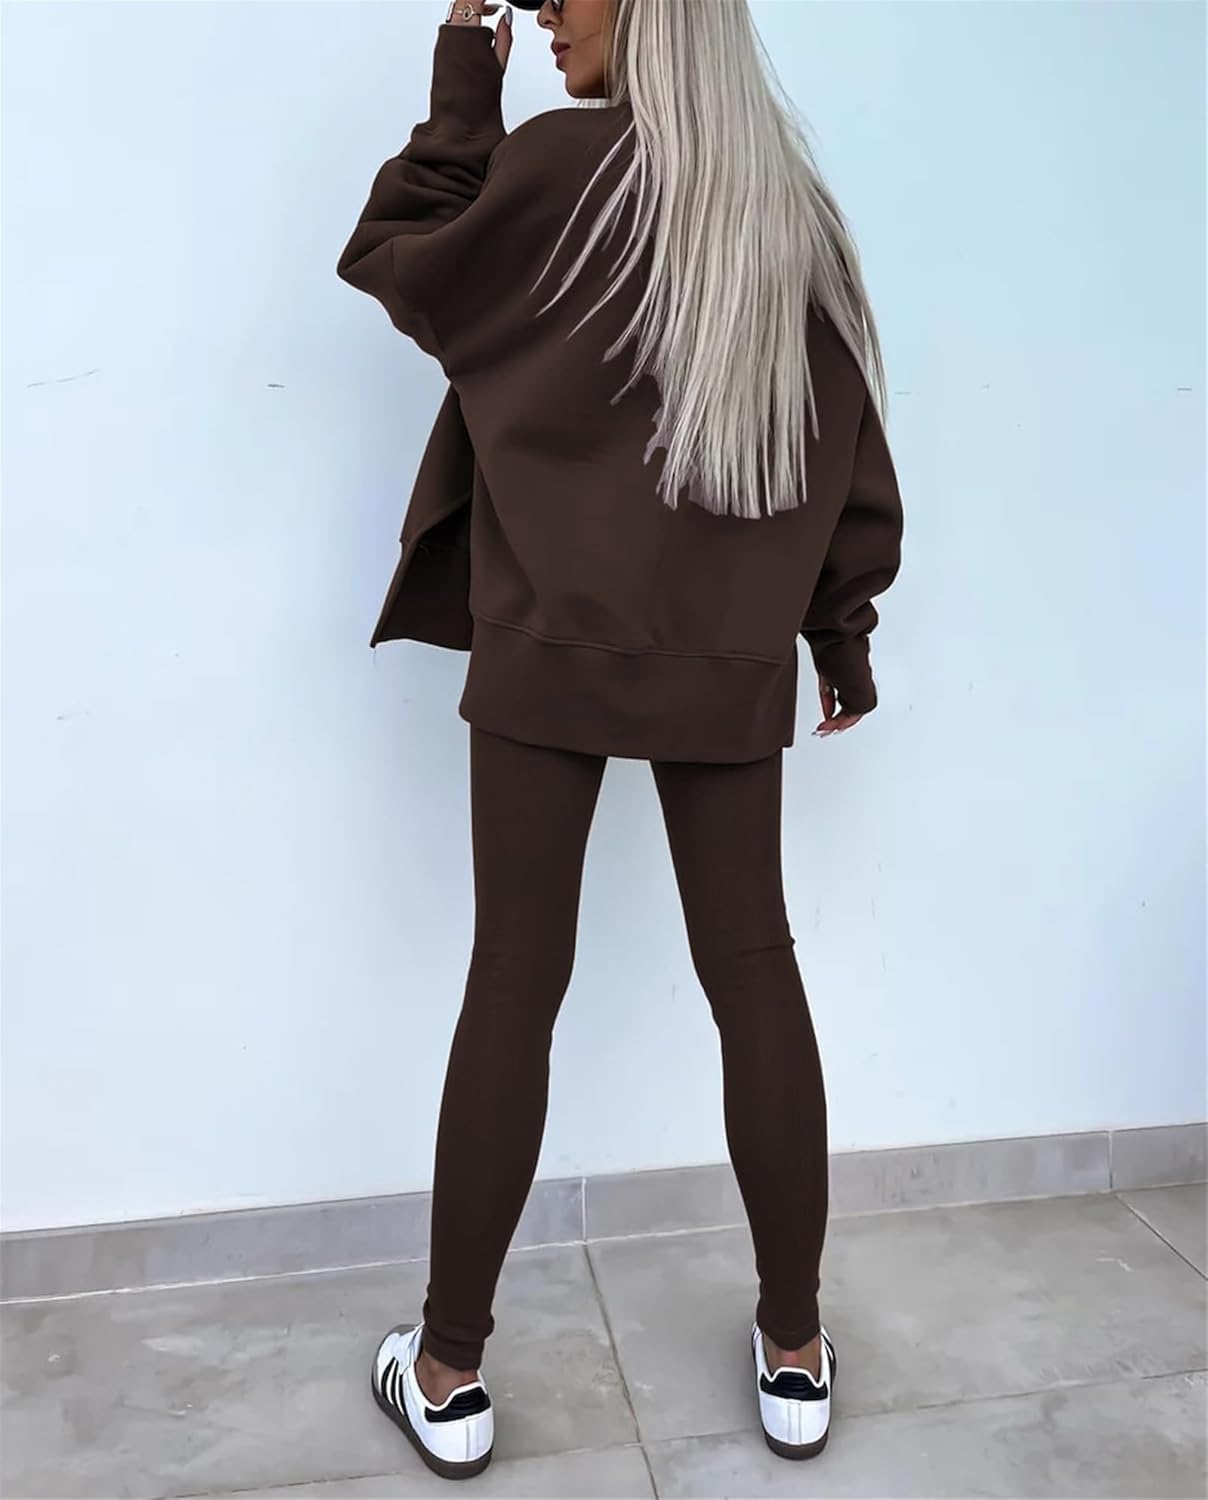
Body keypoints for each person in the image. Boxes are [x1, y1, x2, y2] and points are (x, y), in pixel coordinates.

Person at [338, 0, 902, 1480]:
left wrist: (464, 88)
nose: (544, 10)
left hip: (549, 642)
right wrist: (840, 634)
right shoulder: (788, 213)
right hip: (725, 657)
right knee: (756, 973)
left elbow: (399, 257)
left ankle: (449, 1373)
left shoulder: (548, 169)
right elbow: (847, 445)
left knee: (515, 980)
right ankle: (795, 1353)